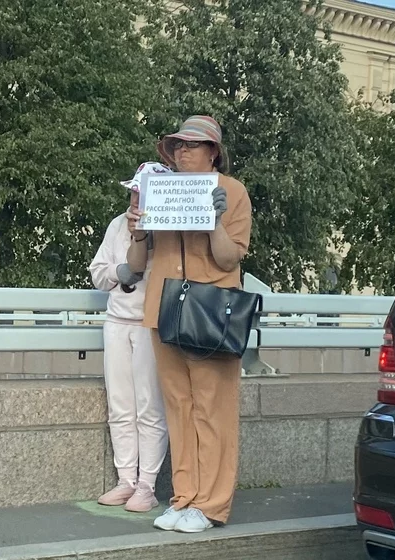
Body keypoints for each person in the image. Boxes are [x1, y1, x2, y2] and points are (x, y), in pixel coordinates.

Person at [125, 116, 252, 533]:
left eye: (192, 145)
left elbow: (229, 259)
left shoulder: (232, 191)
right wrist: (138, 232)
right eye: (177, 144)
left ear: (213, 151)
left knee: (213, 411)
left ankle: (212, 505)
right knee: (178, 408)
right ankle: (183, 498)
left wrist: (213, 218)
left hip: (211, 312)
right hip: (163, 310)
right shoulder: (158, 190)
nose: (182, 151)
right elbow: (135, 267)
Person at [89, 162, 170, 513]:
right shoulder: (117, 225)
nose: (136, 196)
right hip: (117, 321)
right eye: (135, 190)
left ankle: (147, 485)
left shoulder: (169, 228)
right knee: (120, 404)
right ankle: (126, 479)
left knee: (149, 407)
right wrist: (119, 272)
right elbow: (97, 272)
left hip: (151, 323)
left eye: (143, 190)